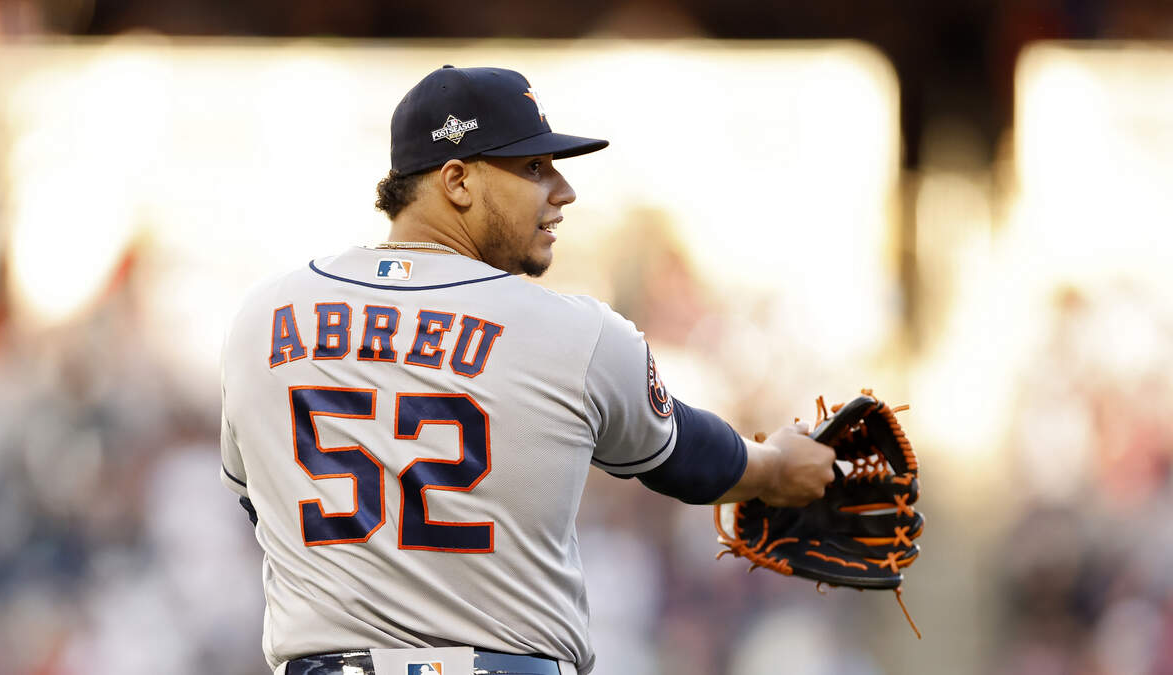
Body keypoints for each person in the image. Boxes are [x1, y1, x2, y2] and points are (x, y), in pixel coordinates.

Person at [219, 65, 836, 675]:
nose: (563, 191)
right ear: (457, 181)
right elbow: (687, 458)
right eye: (534, 167)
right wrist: (780, 468)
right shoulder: (572, 332)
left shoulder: (262, 318)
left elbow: (259, 504)